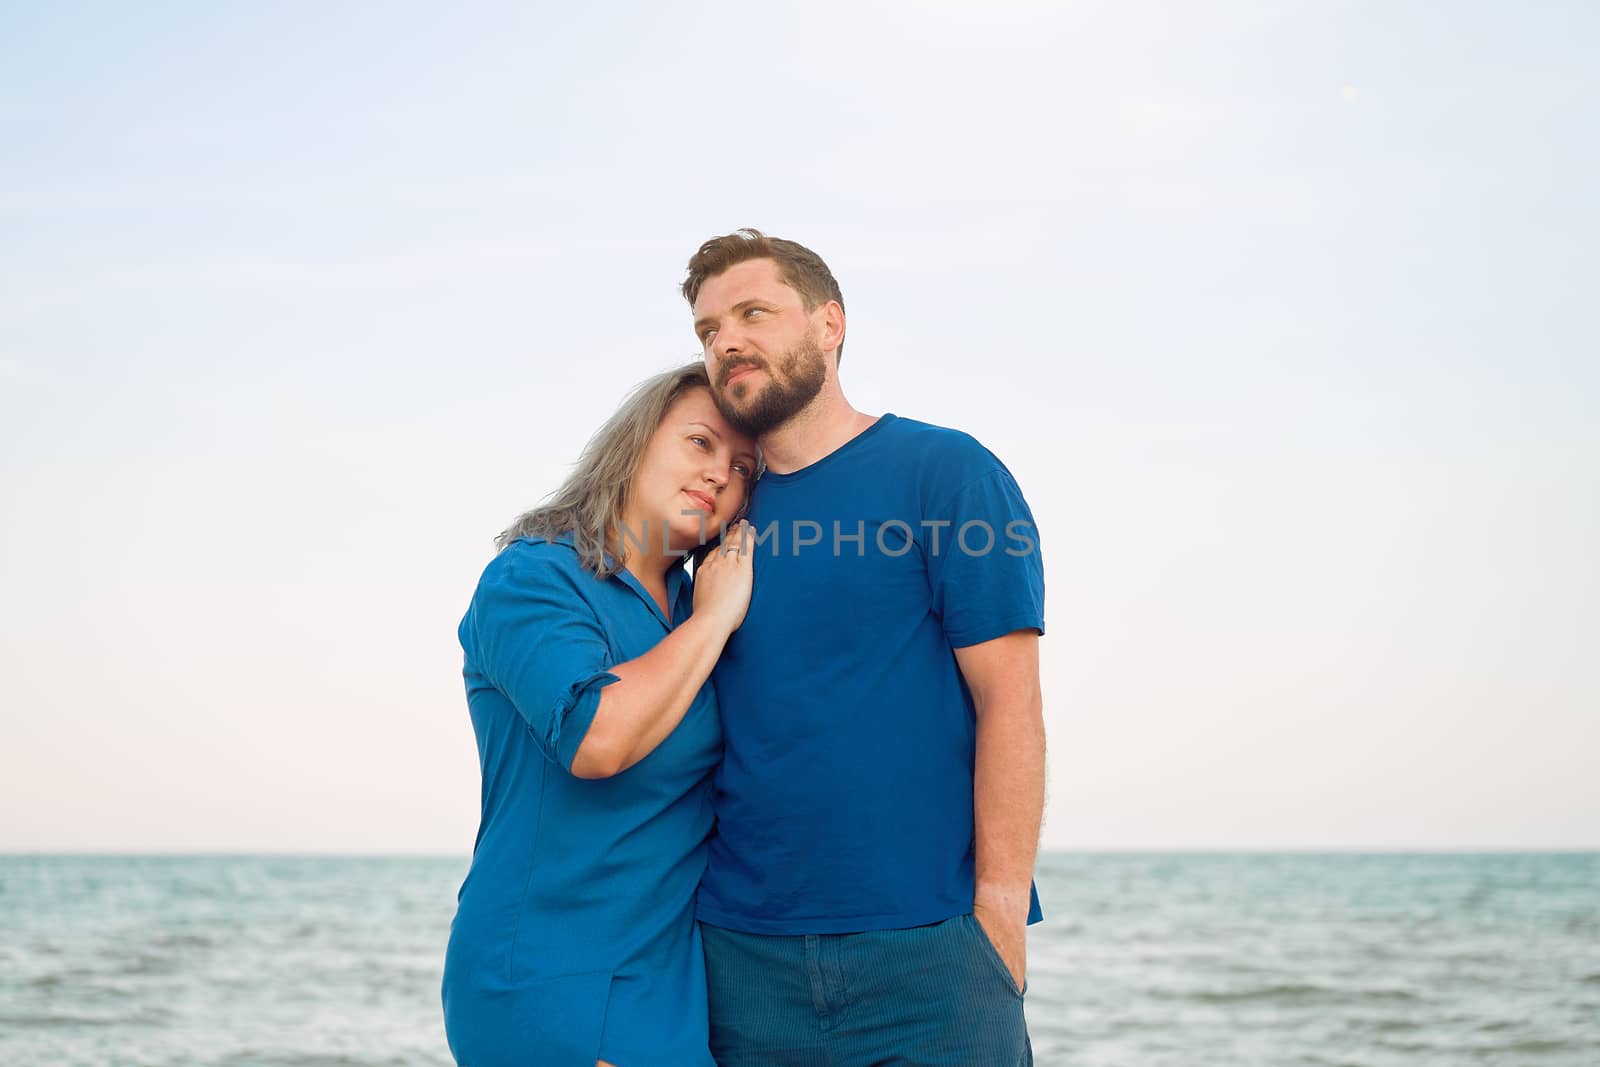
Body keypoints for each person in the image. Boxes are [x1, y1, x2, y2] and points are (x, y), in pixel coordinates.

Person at [683, 230, 1048, 1066]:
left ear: (828, 324)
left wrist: (998, 914)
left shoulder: (947, 473)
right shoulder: (710, 520)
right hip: (740, 959)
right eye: (708, 331)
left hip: (934, 951)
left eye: (752, 313)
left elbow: (1011, 699)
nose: (726, 340)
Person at [442, 363, 758, 1067]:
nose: (717, 475)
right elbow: (597, 737)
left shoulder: (686, 600)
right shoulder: (532, 577)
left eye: (740, 468)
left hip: (668, 986)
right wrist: (714, 620)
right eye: (700, 443)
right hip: (551, 978)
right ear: (636, 441)